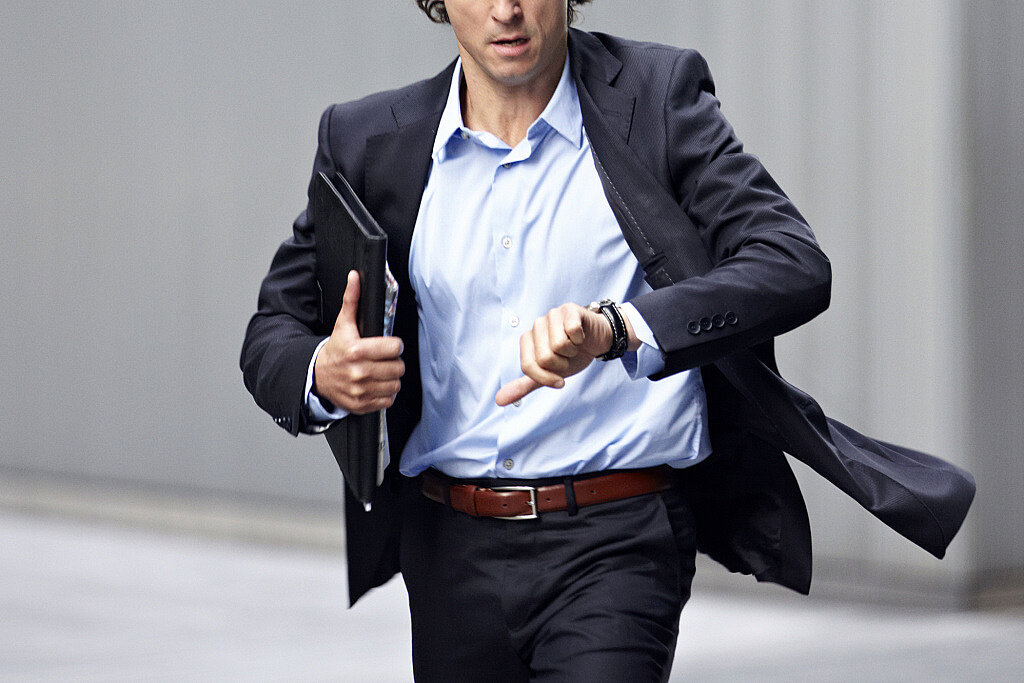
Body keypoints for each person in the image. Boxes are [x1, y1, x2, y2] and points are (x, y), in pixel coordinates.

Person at [241, 1, 975, 680]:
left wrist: (619, 326)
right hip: (447, 546)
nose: (506, 9)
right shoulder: (369, 140)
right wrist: (324, 373)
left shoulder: (653, 99)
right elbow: (273, 331)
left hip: (616, 539)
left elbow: (790, 262)